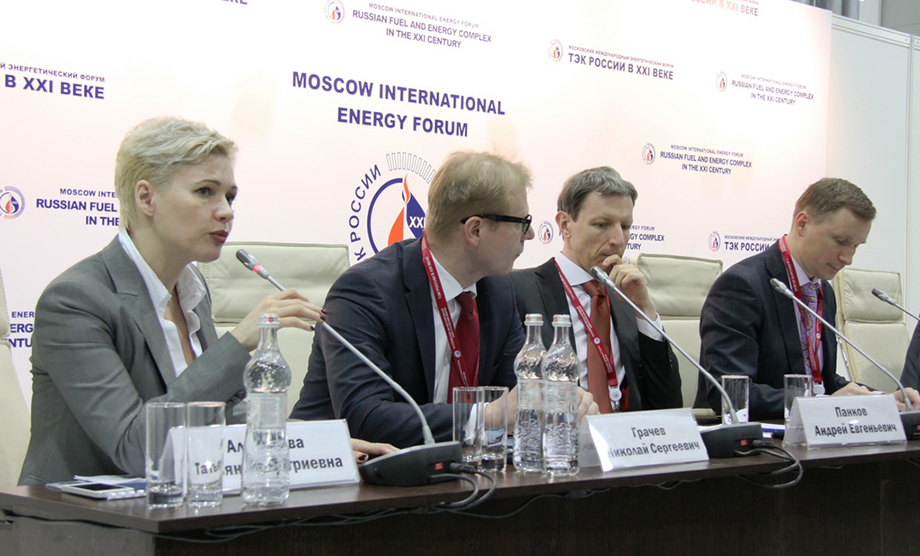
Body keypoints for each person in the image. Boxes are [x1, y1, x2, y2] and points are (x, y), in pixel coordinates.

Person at [18, 117, 327, 485]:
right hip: (77, 515)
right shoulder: (75, 300)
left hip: (182, 502)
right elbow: (136, 449)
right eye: (205, 191)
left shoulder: (193, 291)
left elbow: (224, 417)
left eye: (230, 196)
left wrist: (320, 445)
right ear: (146, 198)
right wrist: (238, 342)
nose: (226, 211)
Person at [291, 151, 597, 448]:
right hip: (337, 470)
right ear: (475, 229)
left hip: (454, 469)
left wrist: (556, 403)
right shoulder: (366, 290)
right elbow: (365, 417)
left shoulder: (499, 291)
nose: (529, 235)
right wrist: (488, 415)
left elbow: (519, 392)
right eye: (521, 222)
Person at [695, 177, 920, 420]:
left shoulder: (822, 290)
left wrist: (882, 400)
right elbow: (729, 394)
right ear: (802, 224)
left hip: (813, 430)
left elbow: (823, 382)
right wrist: (821, 403)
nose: (848, 258)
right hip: (759, 437)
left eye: (856, 246)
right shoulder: (742, 285)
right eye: (841, 241)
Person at [511, 166, 682, 413]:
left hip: (627, 434)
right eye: (602, 225)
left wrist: (645, 312)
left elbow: (667, 404)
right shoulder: (517, 291)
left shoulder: (627, 299)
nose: (618, 240)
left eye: (625, 226)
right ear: (565, 225)